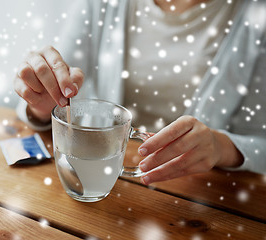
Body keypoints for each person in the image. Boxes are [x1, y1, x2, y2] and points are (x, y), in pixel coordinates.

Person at [14, 0, 266, 185]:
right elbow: (54, 86)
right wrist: (43, 102)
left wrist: (220, 147)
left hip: (201, 193)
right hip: (95, 177)